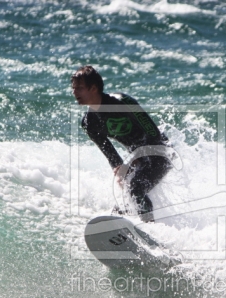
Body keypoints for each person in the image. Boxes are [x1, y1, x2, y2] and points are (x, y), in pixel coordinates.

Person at [71, 65, 172, 222]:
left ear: (93, 88)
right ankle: (130, 229)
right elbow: (109, 153)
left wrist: (134, 158)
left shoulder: (123, 102)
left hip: (160, 151)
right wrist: (120, 170)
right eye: (74, 88)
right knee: (124, 203)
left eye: (80, 88)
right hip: (139, 158)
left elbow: (153, 134)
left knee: (136, 190)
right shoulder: (89, 123)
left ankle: (151, 230)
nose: (74, 93)